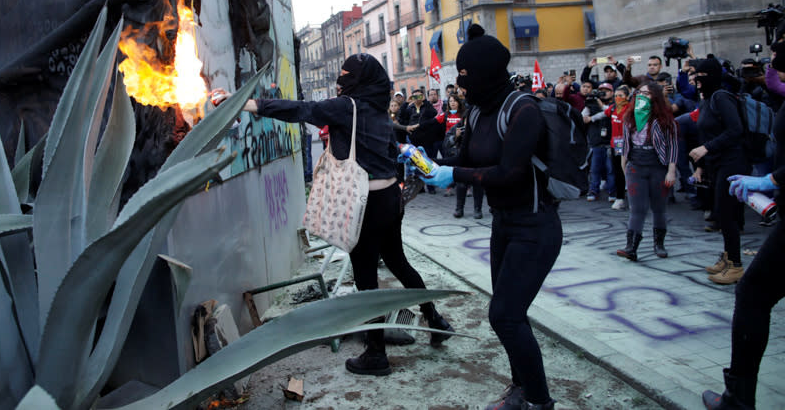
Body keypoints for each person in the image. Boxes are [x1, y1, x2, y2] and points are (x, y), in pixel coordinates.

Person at [211, 54, 453, 376]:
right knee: (398, 262)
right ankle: (434, 318)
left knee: (366, 279)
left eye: (345, 75)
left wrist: (245, 104)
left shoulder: (346, 107)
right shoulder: (376, 107)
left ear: (358, 80)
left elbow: (300, 109)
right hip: (389, 200)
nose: (340, 81)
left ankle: (376, 353)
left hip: (365, 203)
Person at [423, 25, 560, 410]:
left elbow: (510, 172)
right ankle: (520, 389)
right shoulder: (479, 110)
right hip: (503, 225)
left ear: (485, 74)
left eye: (466, 78)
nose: (462, 88)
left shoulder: (523, 109)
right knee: (512, 316)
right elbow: (463, 163)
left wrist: (453, 175)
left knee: (504, 316)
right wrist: (424, 163)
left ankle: (539, 402)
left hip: (535, 226)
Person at [701, 39, 785, 409]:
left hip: (743, 169)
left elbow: (733, 129)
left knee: (753, 293)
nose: (773, 60)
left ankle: (737, 397)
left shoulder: (721, 97)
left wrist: (772, 181)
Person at [691, 57, 749, 285]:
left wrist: (707, 148)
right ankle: (727, 257)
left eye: (700, 75)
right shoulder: (707, 100)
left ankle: (735, 264)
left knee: (727, 213)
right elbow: (707, 133)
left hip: (733, 162)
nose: (696, 79)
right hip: (718, 163)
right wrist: (701, 165)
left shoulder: (721, 97)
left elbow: (735, 129)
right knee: (722, 213)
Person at [616, 82, 678, 261]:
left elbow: (673, 146)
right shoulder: (630, 118)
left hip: (658, 166)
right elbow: (625, 145)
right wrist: (624, 166)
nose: (643, 96)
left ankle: (659, 244)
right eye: (640, 93)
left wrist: (671, 171)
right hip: (636, 165)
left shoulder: (665, 120)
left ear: (655, 97)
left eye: (648, 94)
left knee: (659, 208)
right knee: (637, 208)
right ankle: (631, 247)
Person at [582, 82, 616, 203]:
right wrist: (589, 103)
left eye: (606, 91)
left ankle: (613, 192)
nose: (603, 93)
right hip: (596, 142)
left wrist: (599, 108)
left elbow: (611, 112)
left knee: (611, 169)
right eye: (601, 90)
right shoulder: (591, 103)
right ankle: (593, 191)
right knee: (594, 169)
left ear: (612, 93)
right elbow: (583, 117)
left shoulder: (614, 104)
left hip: (610, 142)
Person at [602, 85, 631, 210]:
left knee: (628, 171)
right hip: (616, 144)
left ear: (627, 97)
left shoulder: (630, 109)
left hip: (628, 143)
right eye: (616, 96)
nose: (618, 98)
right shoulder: (613, 108)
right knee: (618, 171)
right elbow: (604, 112)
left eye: (621, 96)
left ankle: (635, 198)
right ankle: (620, 198)